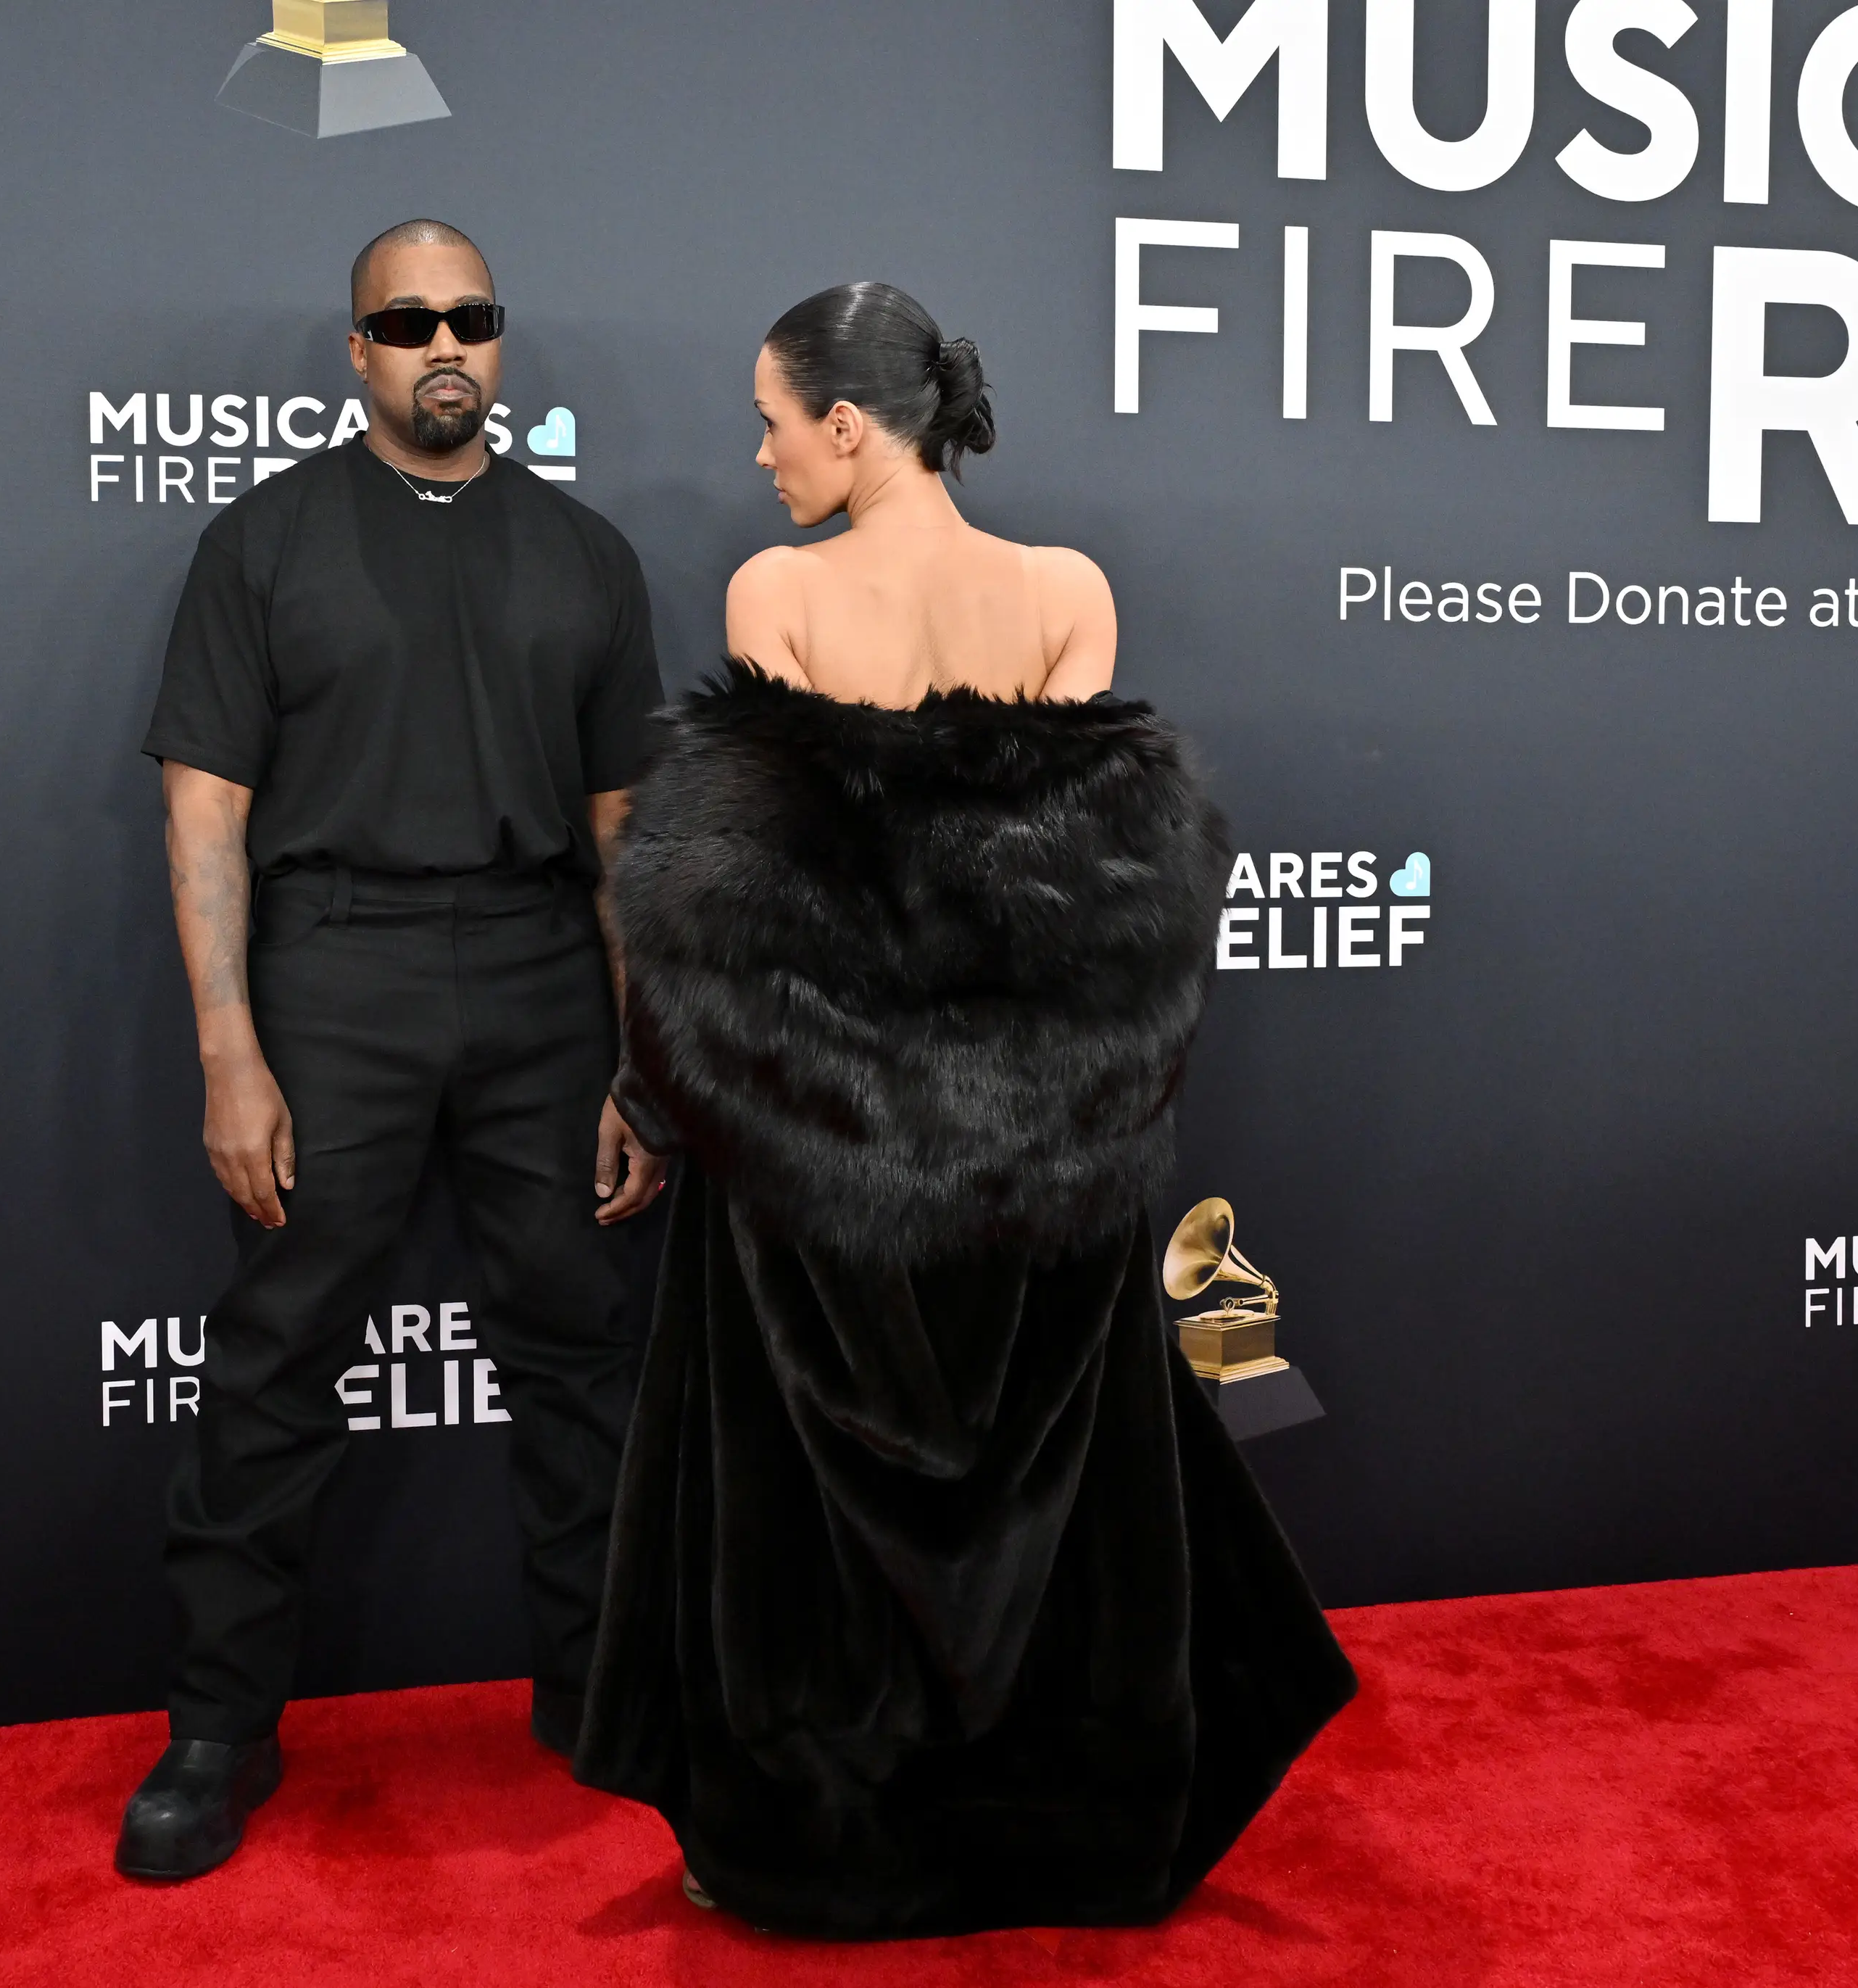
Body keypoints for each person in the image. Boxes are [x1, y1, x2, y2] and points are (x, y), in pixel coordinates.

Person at [573, 282, 1356, 1939]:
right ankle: (1050, 1838)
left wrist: (664, 1088)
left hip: (822, 1149)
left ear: (849, 424)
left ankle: (818, 1844)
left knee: (812, 1518)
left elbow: (755, 909)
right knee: (1044, 1505)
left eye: (773, 422)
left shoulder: (777, 591)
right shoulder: (1069, 592)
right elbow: (1075, 905)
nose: (763, 456)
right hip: (1039, 1149)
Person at [119, 219, 669, 1884]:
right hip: (332, 977)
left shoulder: (587, 555)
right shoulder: (264, 540)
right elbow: (204, 811)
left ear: (501, 342)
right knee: (277, 1357)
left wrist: (640, 1056)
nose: (444, 344)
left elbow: (624, 834)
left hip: (542, 979)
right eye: (407, 320)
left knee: (582, 1355)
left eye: (470, 318)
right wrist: (230, 1050)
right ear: (356, 348)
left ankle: (601, 1695)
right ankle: (218, 1728)